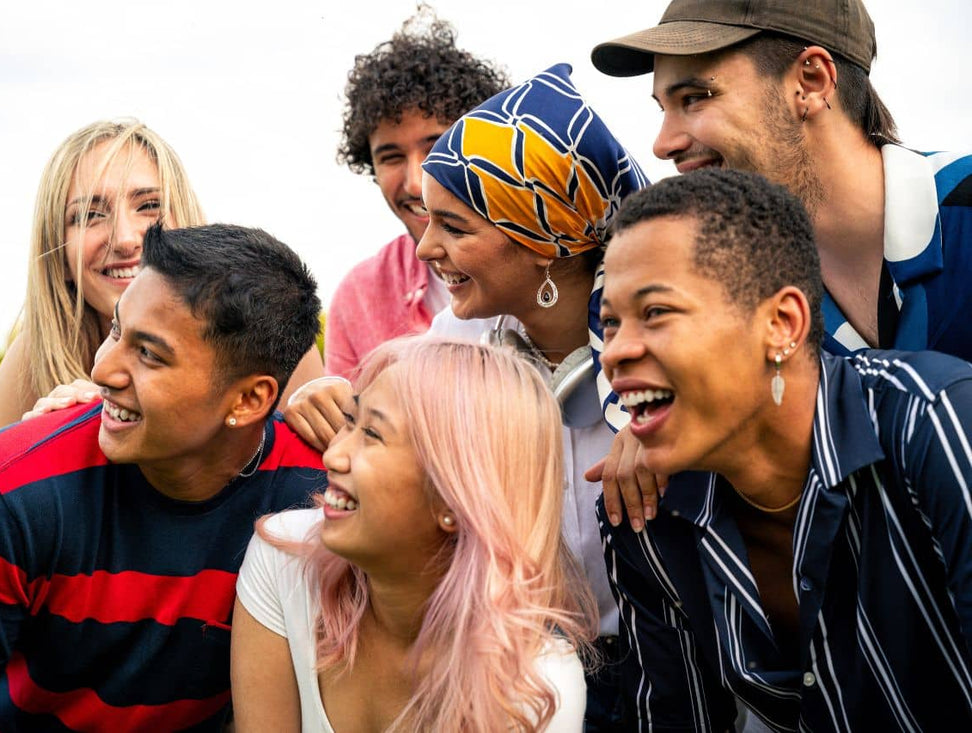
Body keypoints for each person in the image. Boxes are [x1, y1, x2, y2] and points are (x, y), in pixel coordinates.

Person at [285, 64, 648, 730]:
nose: (427, 247)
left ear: (544, 237)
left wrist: (671, 430)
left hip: (669, 672)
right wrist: (339, 401)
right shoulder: (460, 337)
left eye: (455, 227)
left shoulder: (657, 352)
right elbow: (404, 444)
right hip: (524, 671)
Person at [0, 223, 326, 730]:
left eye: (149, 354)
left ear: (249, 400)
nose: (103, 371)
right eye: (117, 330)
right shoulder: (2, 492)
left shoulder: (315, 497)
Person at [596, 168, 972, 731]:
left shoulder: (934, 422)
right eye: (609, 322)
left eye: (655, 313)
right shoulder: (645, 511)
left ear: (782, 323)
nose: (614, 352)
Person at [588, 0, 972, 533]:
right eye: (663, 108)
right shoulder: (732, 297)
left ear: (811, 81)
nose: (663, 144)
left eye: (695, 97)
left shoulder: (965, 211)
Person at [233, 338, 598, 731]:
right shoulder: (285, 557)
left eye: (372, 434)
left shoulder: (537, 685)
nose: (332, 456)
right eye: (350, 421)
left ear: (455, 499)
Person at [0, 119, 323, 432]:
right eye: (90, 214)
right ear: (58, 253)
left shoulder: (267, 329)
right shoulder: (32, 361)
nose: (126, 239)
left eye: (149, 206)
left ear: (188, 223)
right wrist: (34, 455)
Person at [324, 9, 508, 378]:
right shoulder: (358, 297)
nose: (414, 182)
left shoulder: (542, 262)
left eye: (435, 146)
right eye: (391, 157)